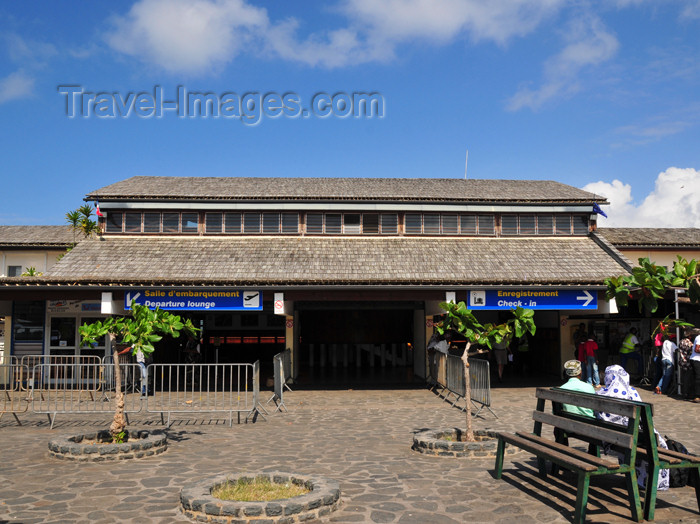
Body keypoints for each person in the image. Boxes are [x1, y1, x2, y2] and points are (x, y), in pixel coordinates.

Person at [596, 365, 670, 491]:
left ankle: (637, 477)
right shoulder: (630, 392)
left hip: (613, 439)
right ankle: (653, 482)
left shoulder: (600, 394)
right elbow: (644, 420)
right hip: (633, 439)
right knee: (655, 442)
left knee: (632, 438)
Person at [678, 330, 695, 399]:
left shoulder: (681, 341)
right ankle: (686, 393)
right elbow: (691, 350)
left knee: (684, 377)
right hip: (687, 362)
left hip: (682, 361)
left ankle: (684, 392)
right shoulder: (688, 342)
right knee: (688, 378)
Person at [691, 330, 700, 403]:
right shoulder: (699, 338)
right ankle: (697, 396)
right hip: (696, 360)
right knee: (698, 377)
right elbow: (697, 349)